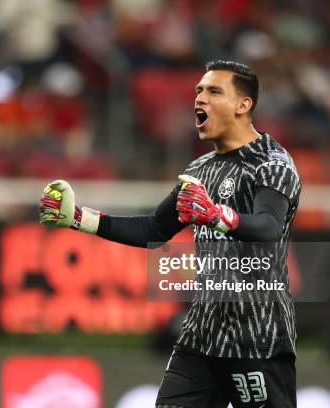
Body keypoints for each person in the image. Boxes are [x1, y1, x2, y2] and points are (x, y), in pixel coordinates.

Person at [39, 60, 301, 407]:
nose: (200, 98)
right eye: (199, 91)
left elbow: (269, 226)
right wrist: (77, 218)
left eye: (213, 91)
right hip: (201, 336)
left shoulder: (273, 164)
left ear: (243, 105)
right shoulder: (199, 170)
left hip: (256, 336)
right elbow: (153, 229)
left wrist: (218, 215)